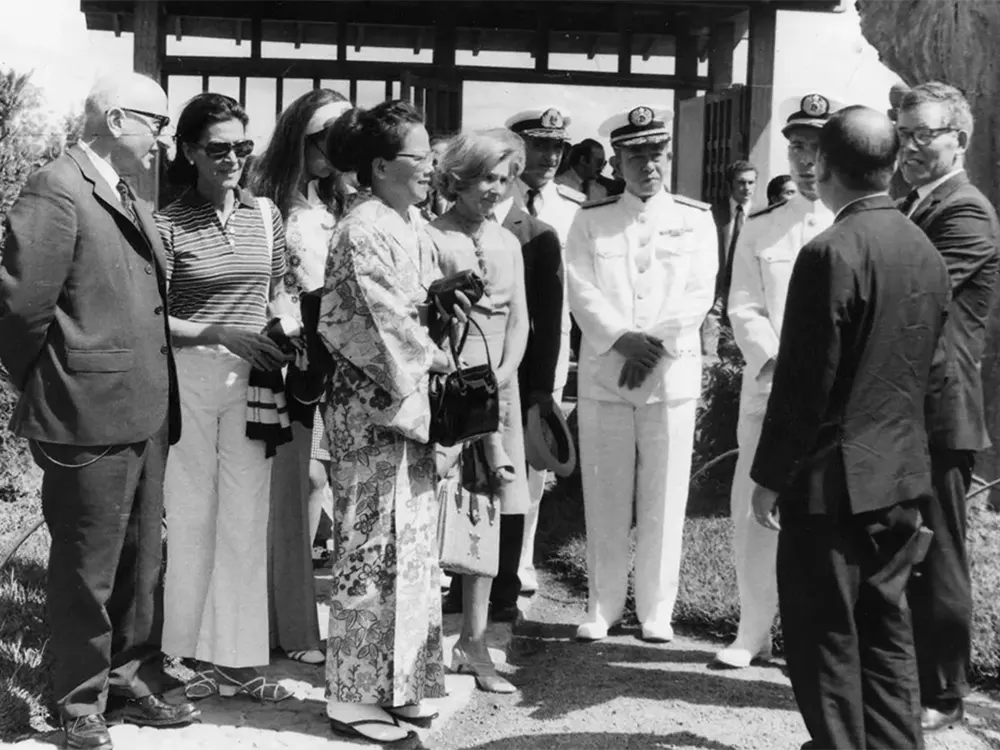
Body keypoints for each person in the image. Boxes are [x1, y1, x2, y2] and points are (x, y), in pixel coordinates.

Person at [0, 73, 198, 750]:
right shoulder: (54, 188)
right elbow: (22, 312)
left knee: (143, 561)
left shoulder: (125, 194)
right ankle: (79, 702)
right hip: (84, 412)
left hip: (144, 411)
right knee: (88, 565)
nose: (165, 141)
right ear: (117, 120)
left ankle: (132, 685)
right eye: (158, 124)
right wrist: (52, 384)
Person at [750, 104, 951, 750]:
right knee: (887, 638)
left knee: (824, 641)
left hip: (830, 484)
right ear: (894, 168)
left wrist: (769, 477)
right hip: (898, 477)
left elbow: (805, 384)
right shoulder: (924, 250)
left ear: (826, 166)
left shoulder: (828, 252)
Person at [318, 100, 461, 746]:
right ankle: (351, 695)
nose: (430, 167)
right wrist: (433, 361)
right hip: (374, 412)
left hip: (409, 409)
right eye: (417, 157)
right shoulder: (362, 228)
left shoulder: (410, 223)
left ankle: (400, 684)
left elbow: (423, 311)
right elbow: (379, 325)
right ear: (378, 167)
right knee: (368, 553)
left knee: (410, 553)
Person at [155, 93, 293, 703]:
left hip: (253, 379)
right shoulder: (164, 224)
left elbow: (279, 289)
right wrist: (218, 332)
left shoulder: (267, 216)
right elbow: (152, 318)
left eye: (243, 146)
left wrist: (281, 324)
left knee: (245, 517)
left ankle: (235, 662)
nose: (234, 158)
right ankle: (178, 655)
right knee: (190, 517)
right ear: (188, 152)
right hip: (188, 375)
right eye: (218, 148)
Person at [567, 105, 717, 642]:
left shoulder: (697, 219)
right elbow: (581, 290)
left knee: (664, 495)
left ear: (668, 156)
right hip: (608, 374)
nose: (647, 164)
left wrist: (647, 348)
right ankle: (603, 605)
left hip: (669, 376)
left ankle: (657, 609)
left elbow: (700, 293)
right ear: (616, 160)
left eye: (656, 153)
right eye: (635, 155)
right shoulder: (591, 219)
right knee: (605, 494)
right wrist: (622, 341)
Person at [715, 94, 840, 670]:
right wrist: (774, 359)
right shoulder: (763, 227)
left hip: (836, 399)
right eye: (796, 146)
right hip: (769, 386)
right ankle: (752, 630)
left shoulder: (850, 223)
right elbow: (742, 302)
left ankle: (811, 639)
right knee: (754, 509)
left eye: (816, 147)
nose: (805, 159)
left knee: (824, 516)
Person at [896, 81, 1000, 732]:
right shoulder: (916, 203)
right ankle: (914, 682)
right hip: (907, 410)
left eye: (923, 133)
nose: (908, 144)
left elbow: (913, 298)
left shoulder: (966, 212)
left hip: (939, 412)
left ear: (958, 139)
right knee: (910, 548)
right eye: (902, 130)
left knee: (939, 554)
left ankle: (944, 695)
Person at [251, 88, 354, 666]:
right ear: (299, 137)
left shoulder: (339, 204)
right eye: (322, 140)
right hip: (290, 361)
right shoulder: (268, 202)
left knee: (315, 486)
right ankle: (288, 628)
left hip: (335, 361)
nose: (331, 152)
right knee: (292, 491)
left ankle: (295, 623)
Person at [426, 129, 530, 694]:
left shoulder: (510, 243)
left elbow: (520, 320)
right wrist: (457, 371)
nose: (494, 188)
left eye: (503, 177)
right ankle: (419, 641)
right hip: (447, 393)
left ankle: (474, 641)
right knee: (435, 510)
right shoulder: (431, 236)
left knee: (487, 514)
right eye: (485, 177)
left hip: (497, 395)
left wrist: (505, 374)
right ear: (458, 178)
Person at [504, 106, 584, 596]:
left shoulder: (575, 209)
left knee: (534, 451)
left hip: (545, 348)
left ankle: (522, 558)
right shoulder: (493, 195)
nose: (549, 156)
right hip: (493, 345)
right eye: (539, 145)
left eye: (557, 147)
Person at [702, 159, 758, 355]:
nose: (746, 188)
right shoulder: (714, 213)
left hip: (747, 286)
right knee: (709, 334)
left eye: (751, 182)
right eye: (741, 182)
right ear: (730, 184)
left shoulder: (763, 214)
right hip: (719, 286)